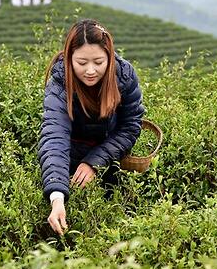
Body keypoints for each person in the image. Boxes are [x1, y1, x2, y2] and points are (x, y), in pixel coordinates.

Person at [37, 18, 146, 235]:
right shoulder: (60, 81)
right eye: (81, 62)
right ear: (69, 58)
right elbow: (54, 136)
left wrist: (94, 162)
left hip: (111, 156)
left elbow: (131, 126)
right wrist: (56, 196)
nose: (90, 70)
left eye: (98, 62)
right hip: (69, 158)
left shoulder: (123, 76)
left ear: (109, 56)